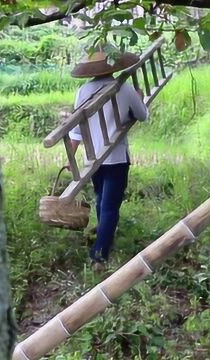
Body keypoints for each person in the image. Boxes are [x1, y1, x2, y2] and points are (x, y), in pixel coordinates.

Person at [68, 49, 148, 272]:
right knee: (110, 206)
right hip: (116, 157)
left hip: (92, 159)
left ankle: (103, 239)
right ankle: (99, 256)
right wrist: (139, 99)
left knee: (102, 199)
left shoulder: (83, 91)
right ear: (113, 65)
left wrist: (71, 157)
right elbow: (142, 116)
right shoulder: (124, 88)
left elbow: (76, 129)